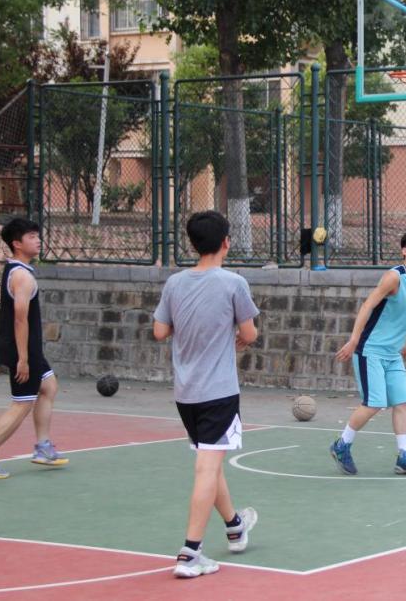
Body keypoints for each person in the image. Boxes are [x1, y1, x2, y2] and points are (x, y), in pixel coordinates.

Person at [153, 211, 259, 578]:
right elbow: (250, 333)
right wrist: (238, 337)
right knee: (206, 467)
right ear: (226, 242)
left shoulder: (175, 283)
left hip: (186, 393)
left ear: (193, 244)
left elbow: (159, 331)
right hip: (219, 392)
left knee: (210, 463)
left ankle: (235, 526)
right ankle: (190, 553)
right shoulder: (234, 283)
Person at [0, 218, 68, 479]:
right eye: (31, 236)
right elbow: (20, 319)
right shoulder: (22, 276)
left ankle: (43, 447)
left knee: (49, 386)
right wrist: (23, 358)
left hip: (29, 348)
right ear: (17, 244)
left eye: (37, 235)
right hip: (22, 349)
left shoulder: (16, 269)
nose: (38, 240)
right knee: (22, 404)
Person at [332, 230, 406, 477]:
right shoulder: (394, 277)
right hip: (371, 350)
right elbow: (368, 305)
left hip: (392, 353)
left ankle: (404, 457)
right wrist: (354, 340)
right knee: (374, 403)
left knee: (402, 403)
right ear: (404, 251)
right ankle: (342, 445)